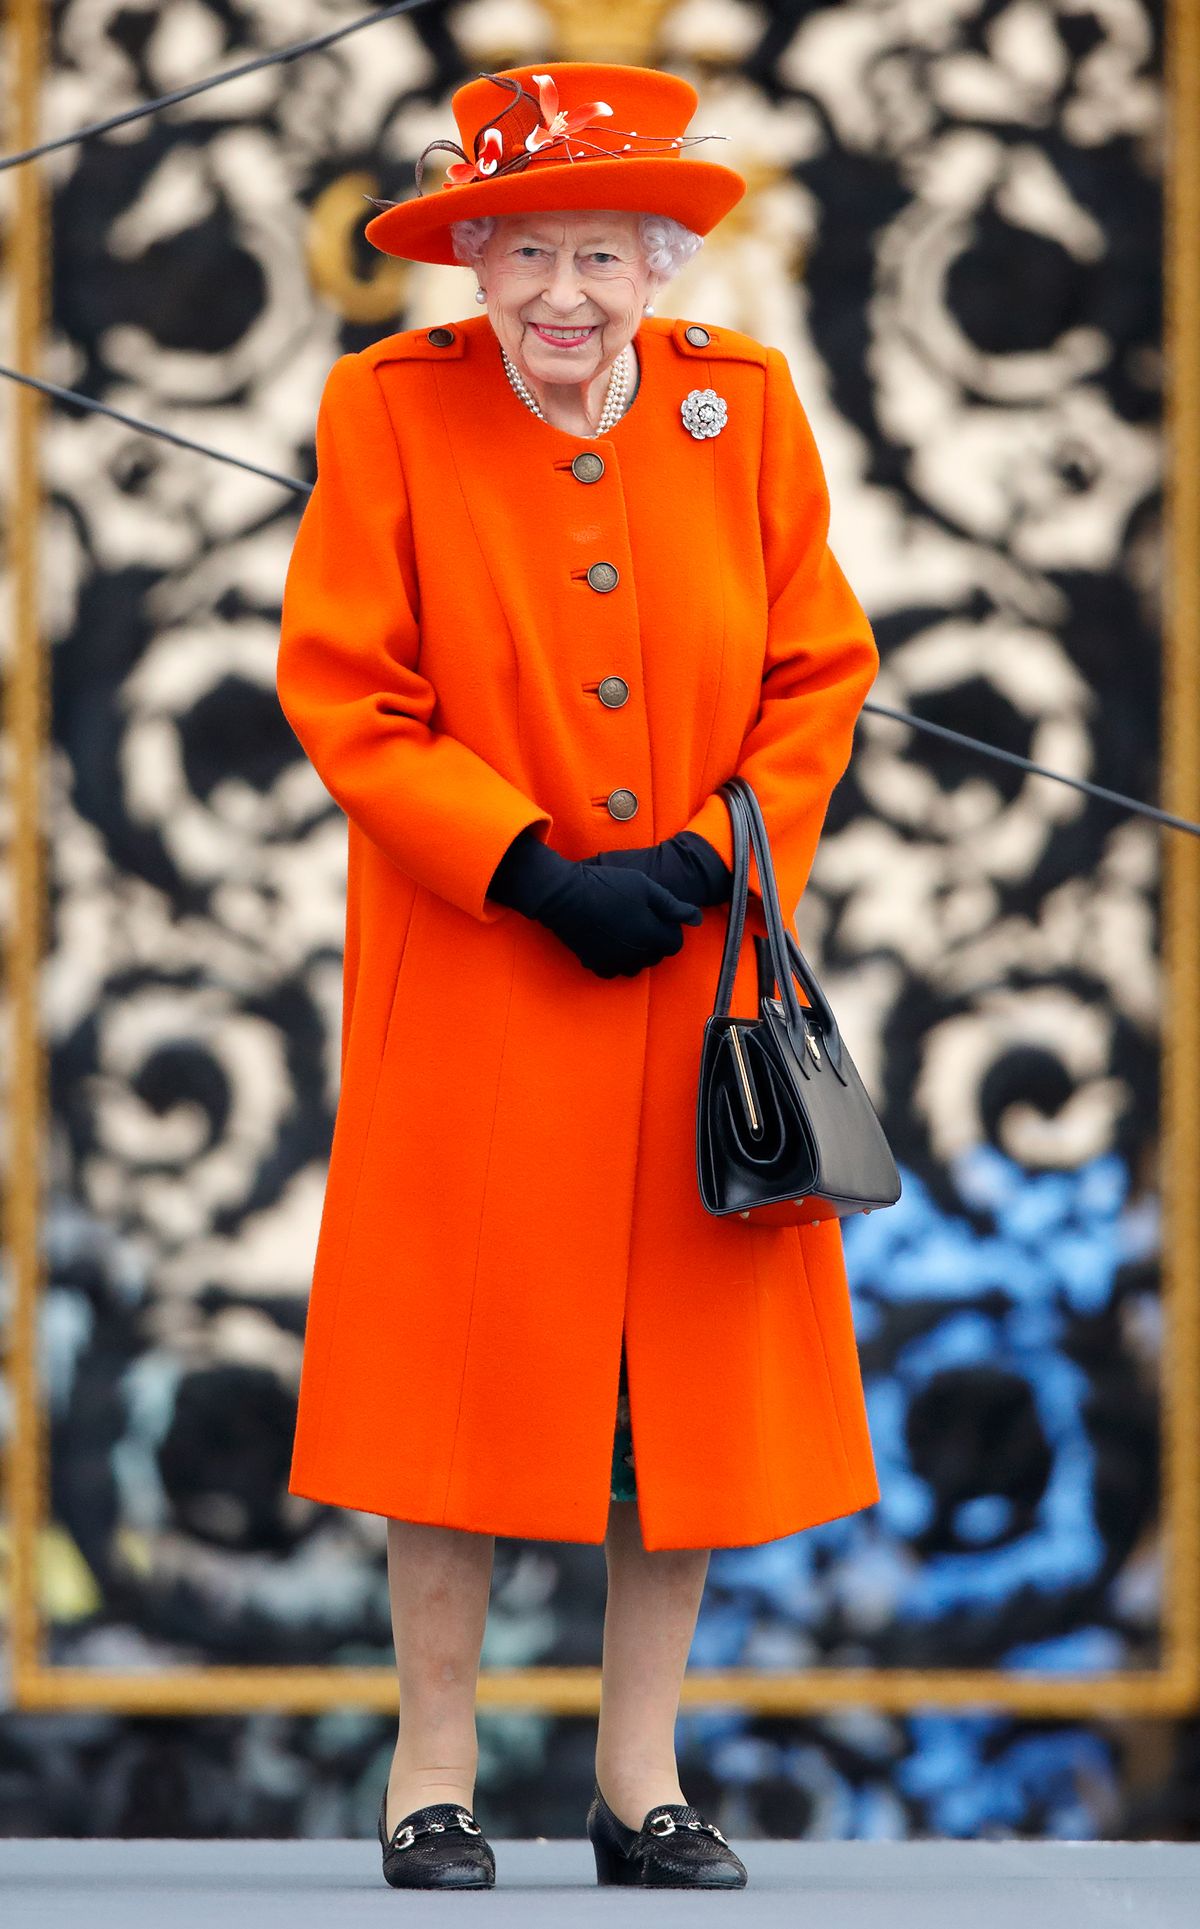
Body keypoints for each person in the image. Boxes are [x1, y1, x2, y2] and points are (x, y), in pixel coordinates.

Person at [275, 60, 881, 1891]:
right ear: (468, 256)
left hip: (696, 976)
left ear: (657, 261)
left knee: (665, 1410)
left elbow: (817, 671)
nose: (558, 293)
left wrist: (713, 849)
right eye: (519, 250)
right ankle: (432, 1776)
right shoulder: (389, 410)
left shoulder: (744, 412)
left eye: (598, 255)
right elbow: (344, 687)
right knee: (454, 1394)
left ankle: (642, 1781)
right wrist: (525, 863)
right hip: (480, 974)